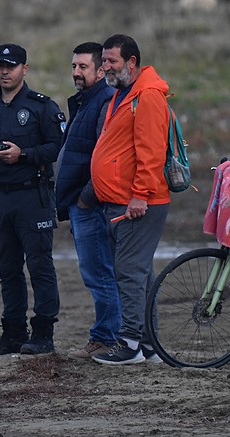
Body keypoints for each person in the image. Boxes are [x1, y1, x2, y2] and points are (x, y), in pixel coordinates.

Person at [0, 43, 66, 356]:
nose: (5, 72)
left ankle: (43, 334)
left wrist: (23, 155)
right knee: (7, 268)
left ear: (25, 69)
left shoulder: (41, 106)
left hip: (33, 196)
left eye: (11, 66)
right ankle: (12, 334)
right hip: (0, 199)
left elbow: (56, 146)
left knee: (40, 265)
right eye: (0, 66)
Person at [90, 34, 169, 365]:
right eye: (104, 61)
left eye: (112, 61)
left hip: (139, 203)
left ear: (132, 62)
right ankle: (149, 346)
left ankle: (131, 343)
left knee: (128, 271)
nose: (106, 67)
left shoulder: (147, 96)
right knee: (139, 272)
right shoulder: (125, 93)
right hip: (121, 202)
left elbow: (151, 153)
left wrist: (139, 195)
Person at [55, 42, 121, 359]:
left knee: (99, 274)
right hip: (82, 203)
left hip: (92, 206)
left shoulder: (105, 101)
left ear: (99, 69)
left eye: (83, 67)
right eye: (73, 67)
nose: (76, 73)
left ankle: (106, 338)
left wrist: (84, 198)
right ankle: (123, 336)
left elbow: (108, 158)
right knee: (101, 273)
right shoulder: (86, 101)